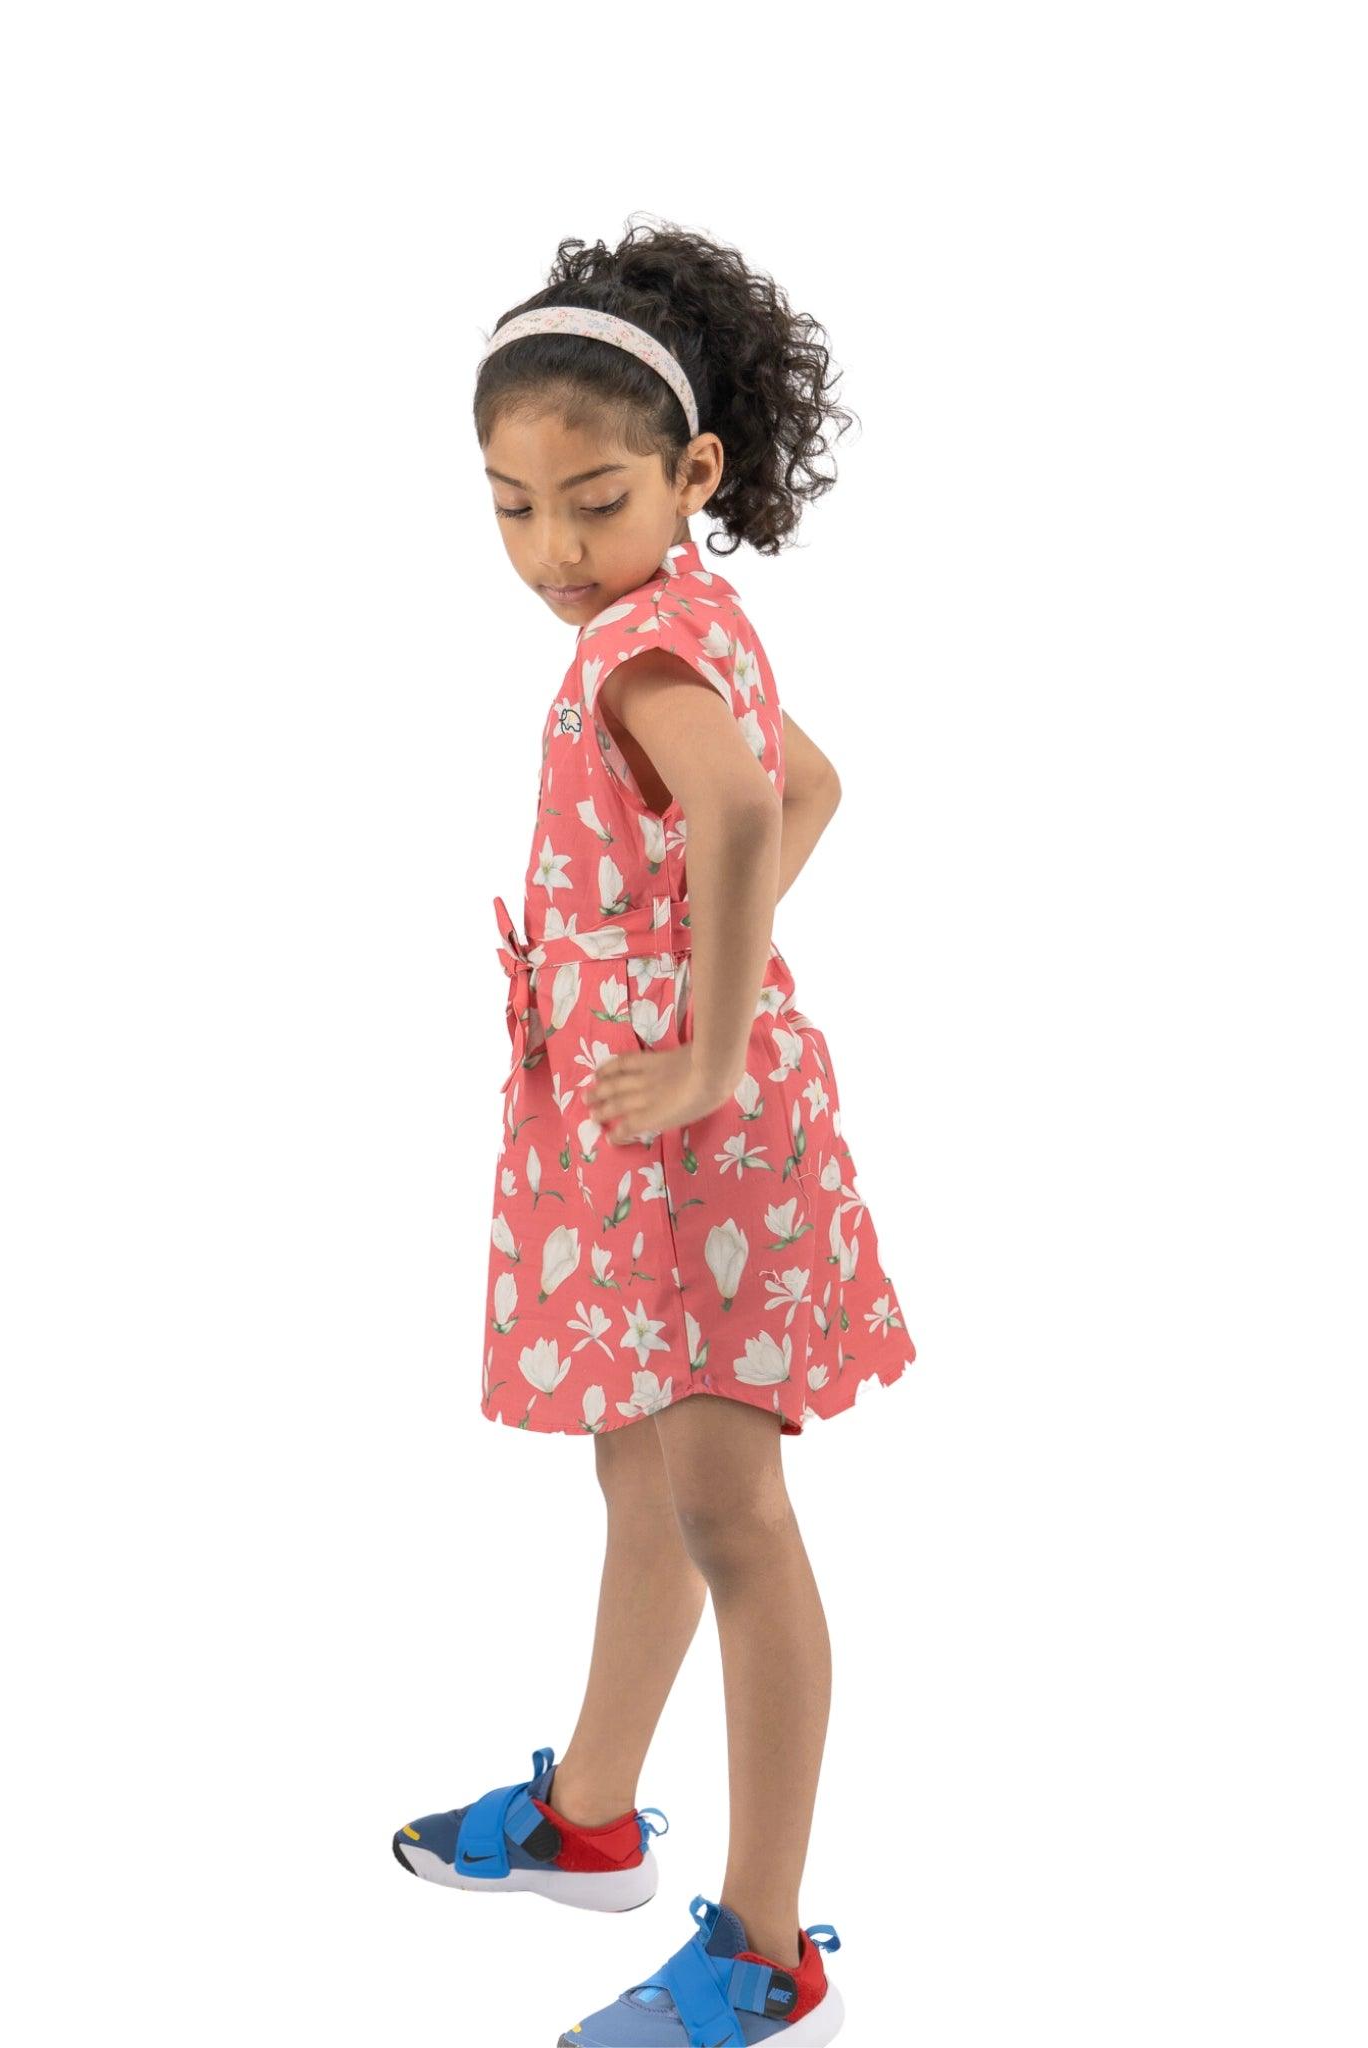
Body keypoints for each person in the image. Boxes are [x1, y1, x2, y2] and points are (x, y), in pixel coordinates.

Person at [392, 220, 917, 2047]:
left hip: (700, 1136)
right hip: (638, 1129)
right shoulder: (670, 620)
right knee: (635, 1476)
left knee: (729, 1512)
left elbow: (753, 805)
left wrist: (704, 1040)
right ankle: (591, 1817)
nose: (552, 551)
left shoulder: (645, 652)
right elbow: (809, 784)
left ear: (690, 472)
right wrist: (685, 969)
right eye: (512, 508)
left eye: (592, 502)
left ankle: (770, 1953)